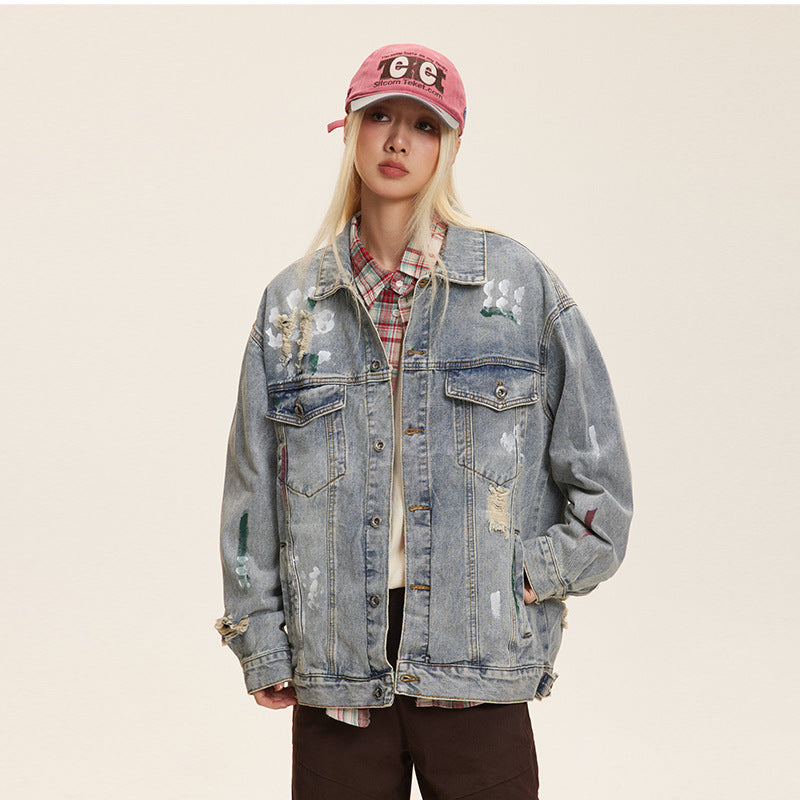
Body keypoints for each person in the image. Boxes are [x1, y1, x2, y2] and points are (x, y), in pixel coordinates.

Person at [216, 43, 633, 799]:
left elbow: (602, 493)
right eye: (381, 116)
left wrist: (525, 575)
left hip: (476, 662)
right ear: (351, 130)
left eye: (424, 125)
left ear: (451, 146)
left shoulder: (520, 290)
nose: (399, 140)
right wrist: (262, 640)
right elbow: (252, 494)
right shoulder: (291, 308)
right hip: (339, 668)